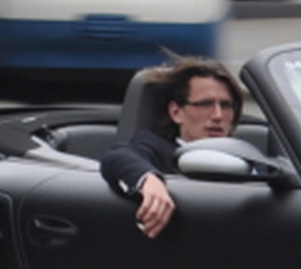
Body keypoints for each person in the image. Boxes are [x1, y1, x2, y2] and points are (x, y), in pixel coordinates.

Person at [100, 57, 242, 239]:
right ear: (176, 112)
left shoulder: (248, 156)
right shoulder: (156, 148)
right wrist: (149, 181)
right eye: (205, 104)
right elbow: (117, 157)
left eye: (226, 105)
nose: (218, 115)